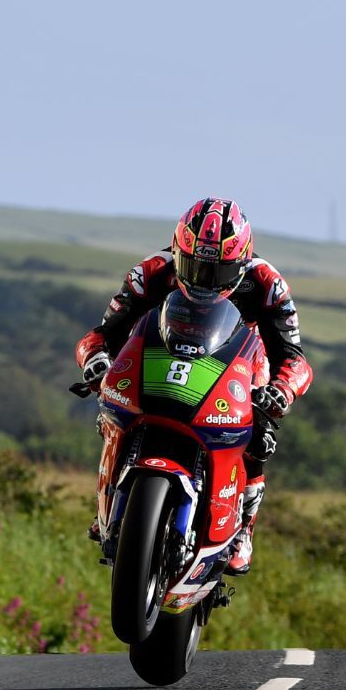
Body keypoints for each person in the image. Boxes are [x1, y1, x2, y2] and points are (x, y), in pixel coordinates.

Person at [74, 197, 313, 575]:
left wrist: (281, 390)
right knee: (112, 411)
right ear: (177, 248)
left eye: (215, 272)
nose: (202, 280)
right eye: (194, 266)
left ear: (241, 261)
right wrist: (97, 360)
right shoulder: (151, 272)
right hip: (163, 354)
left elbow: (295, 358)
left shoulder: (267, 284)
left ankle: (242, 530)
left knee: (260, 435)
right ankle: (107, 502)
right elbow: (102, 334)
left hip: (238, 366)